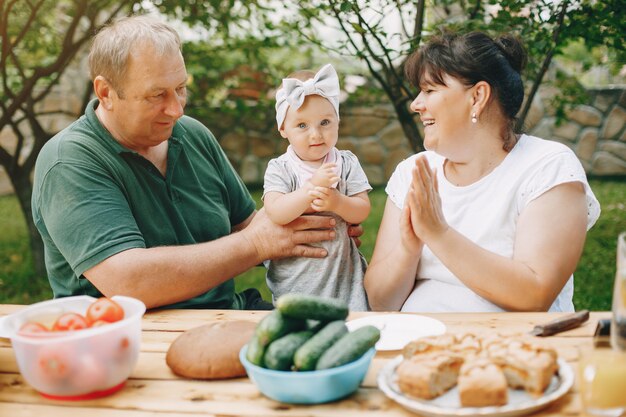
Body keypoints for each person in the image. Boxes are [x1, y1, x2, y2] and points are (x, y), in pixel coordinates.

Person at [31, 15, 362, 311]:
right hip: (130, 338)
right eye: (156, 95)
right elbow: (129, 282)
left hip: (226, 313)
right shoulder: (70, 161)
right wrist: (257, 244)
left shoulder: (191, 134)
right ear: (105, 92)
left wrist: (314, 227)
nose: (176, 109)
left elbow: (249, 224)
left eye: (180, 89)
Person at [364, 30, 601, 312]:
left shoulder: (547, 167)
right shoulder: (413, 172)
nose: (416, 104)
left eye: (429, 90)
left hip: (514, 350)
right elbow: (379, 303)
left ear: (477, 96)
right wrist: (408, 248)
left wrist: (437, 233)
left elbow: (535, 295)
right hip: (418, 348)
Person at [262, 64, 372, 310]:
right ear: (283, 129)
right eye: (302, 126)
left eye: (325, 122)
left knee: (350, 325)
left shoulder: (345, 162)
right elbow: (277, 212)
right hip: (295, 276)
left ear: (337, 121)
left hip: (344, 277)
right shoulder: (281, 168)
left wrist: (337, 202)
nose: (316, 135)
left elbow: (362, 209)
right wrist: (310, 188)